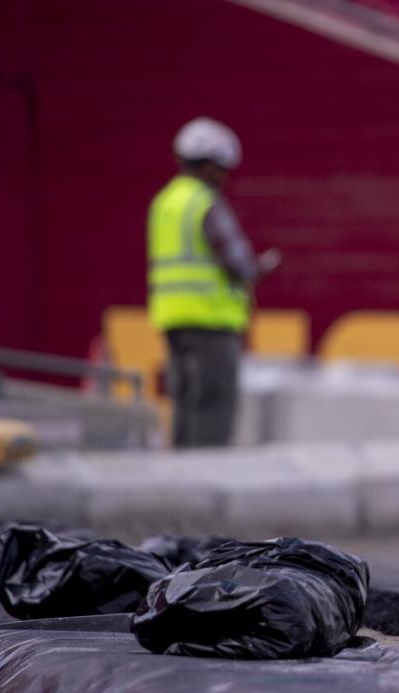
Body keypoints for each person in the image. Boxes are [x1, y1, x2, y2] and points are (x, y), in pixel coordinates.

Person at [147, 117, 279, 448]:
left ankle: (181, 488)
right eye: (221, 167)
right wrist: (258, 269)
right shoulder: (204, 203)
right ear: (206, 165)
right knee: (213, 413)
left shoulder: (164, 202)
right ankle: (205, 481)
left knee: (185, 406)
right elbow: (238, 263)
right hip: (211, 323)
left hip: (173, 322)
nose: (224, 176)